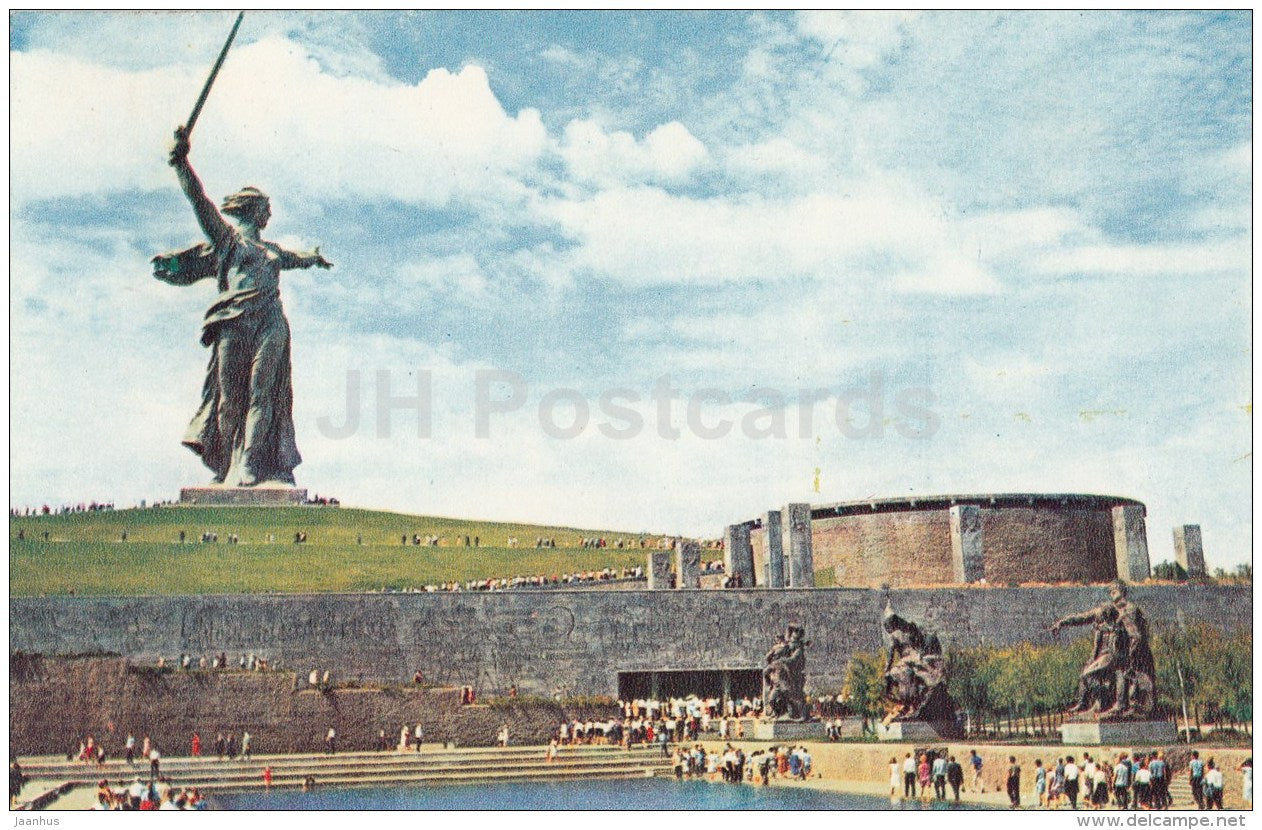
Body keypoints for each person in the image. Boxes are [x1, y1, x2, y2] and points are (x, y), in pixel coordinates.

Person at [157, 125, 332, 487]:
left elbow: (295, 258)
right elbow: (199, 202)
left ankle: (251, 465)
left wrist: (313, 257)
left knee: (262, 394)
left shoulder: (272, 252)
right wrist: (181, 163)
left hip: (270, 322)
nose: (269, 214)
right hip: (234, 322)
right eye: (266, 208)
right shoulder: (228, 241)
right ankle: (225, 467)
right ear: (254, 211)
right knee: (229, 400)